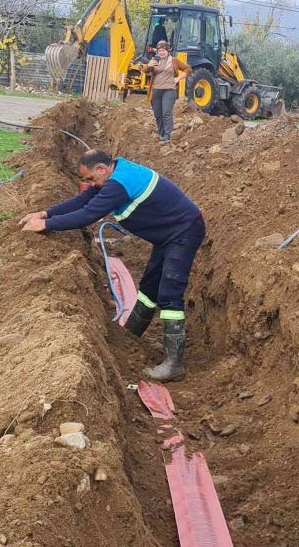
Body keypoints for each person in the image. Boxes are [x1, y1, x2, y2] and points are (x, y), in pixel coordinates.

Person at [19, 149, 205, 382]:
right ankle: (131, 337)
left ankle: (173, 365)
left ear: (102, 169)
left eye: (90, 179)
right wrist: (45, 213)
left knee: (169, 293)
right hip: (167, 235)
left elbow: (88, 214)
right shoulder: (115, 174)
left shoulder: (119, 183)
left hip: (184, 232)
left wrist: (47, 225)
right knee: (149, 287)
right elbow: (82, 200)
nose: (89, 184)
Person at [146, 40, 191, 144]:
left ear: (168, 50)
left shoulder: (174, 60)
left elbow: (188, 69)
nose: (161, 52)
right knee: (158, 113)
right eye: (159, 50)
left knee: (166, 112)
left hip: (169, 90)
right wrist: (148, 65)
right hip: (156, 91)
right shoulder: (155, 61)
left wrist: (178, 78)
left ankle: (167, 134)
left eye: (163, 50)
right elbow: (145, 70)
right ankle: (162, 134)